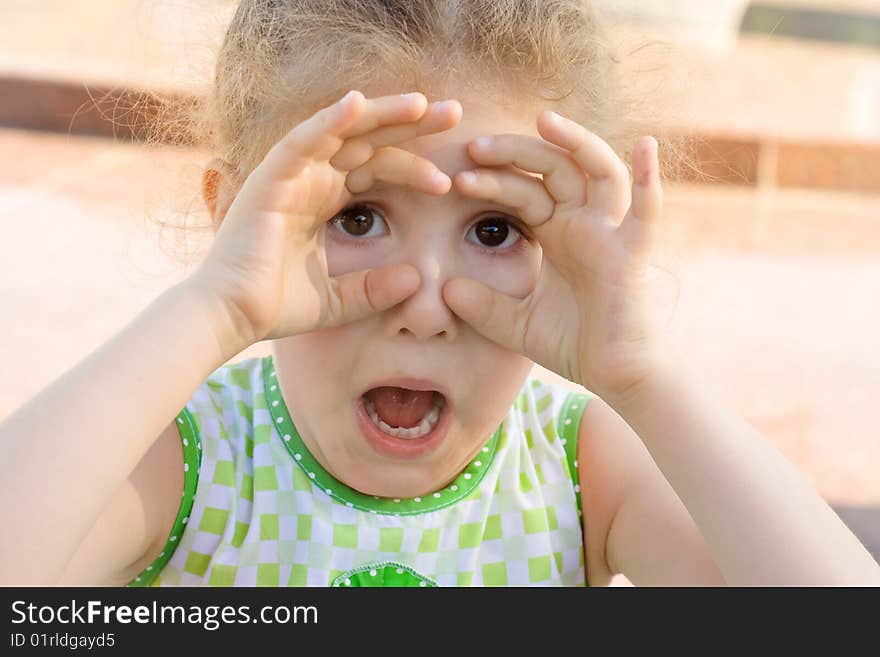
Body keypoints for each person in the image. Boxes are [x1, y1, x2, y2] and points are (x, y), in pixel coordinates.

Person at [1, 0, 877, 588]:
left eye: (495, 230)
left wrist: (642, 375)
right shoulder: (190, 465)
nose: (424, 305)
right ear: (235, 220)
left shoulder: (580, 473)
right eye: (357, 216)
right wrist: (214, 306)